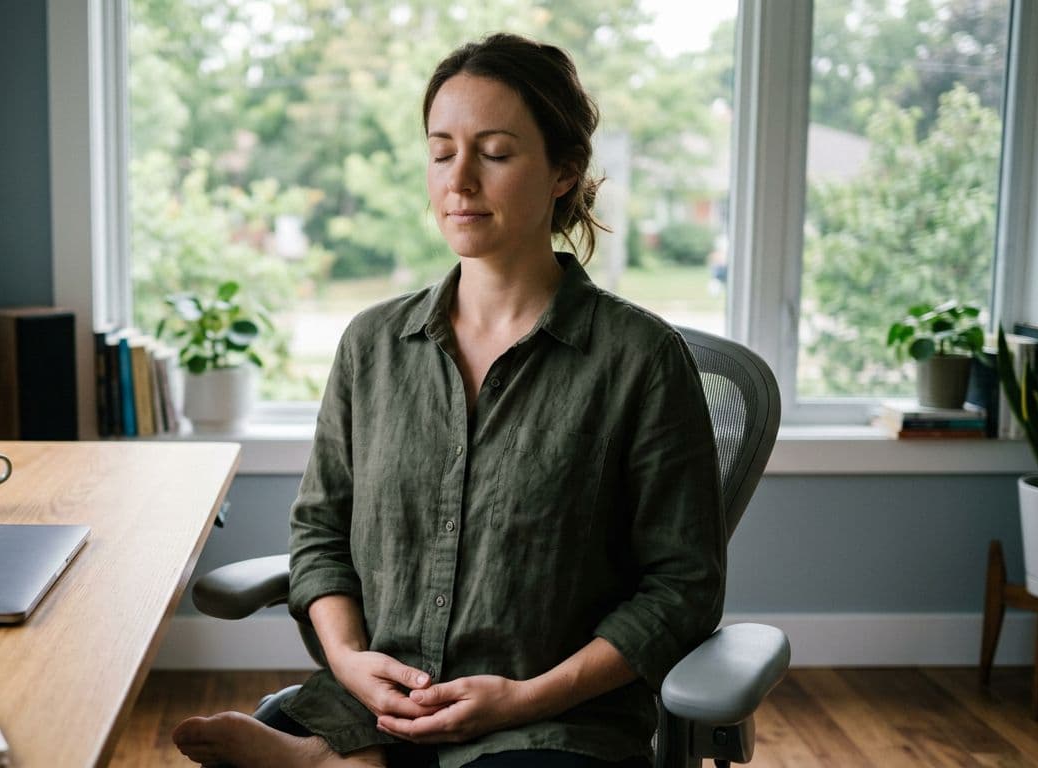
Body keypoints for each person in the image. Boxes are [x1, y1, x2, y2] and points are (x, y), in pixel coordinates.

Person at [173, 32, 724, 768]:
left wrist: (526, 698)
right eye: (441, 152)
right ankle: (352, 755)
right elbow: (320, 536)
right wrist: (346, 660)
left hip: (553, 720)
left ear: (564, 171)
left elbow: (682, 588)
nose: (459, 180)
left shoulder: (640, 360)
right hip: (375, 699)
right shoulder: (371, 346)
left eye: (494, 153)